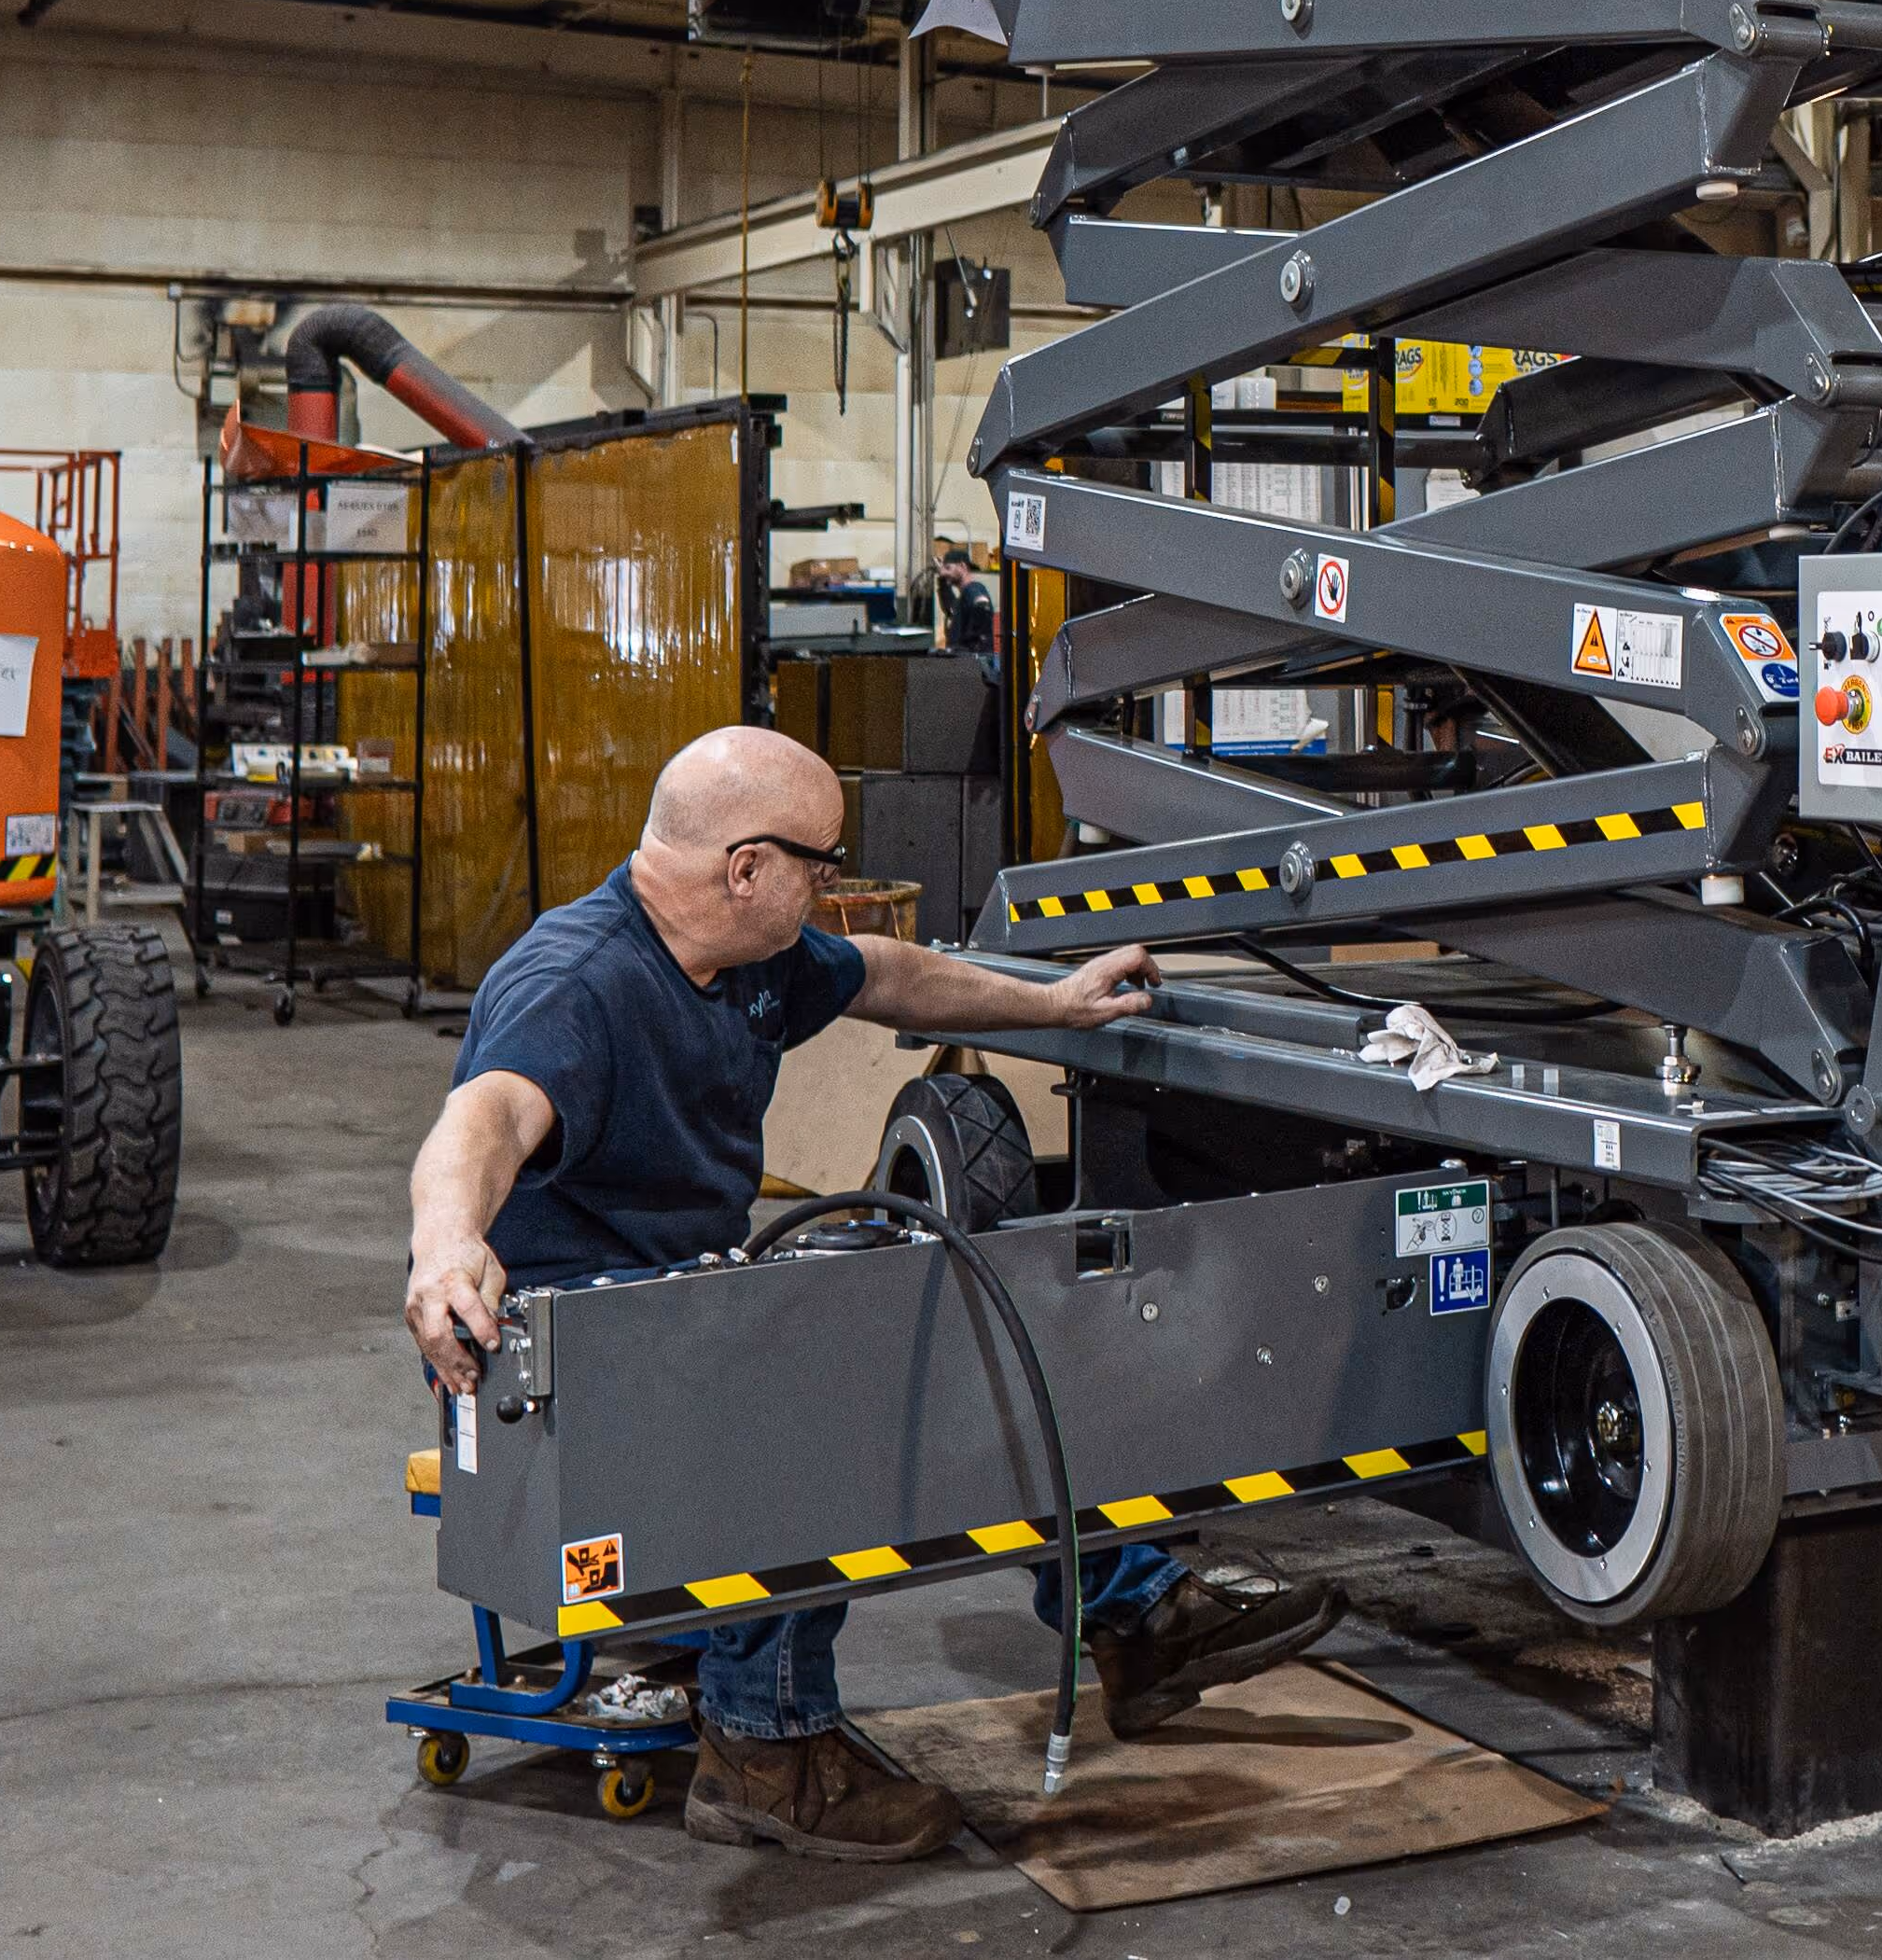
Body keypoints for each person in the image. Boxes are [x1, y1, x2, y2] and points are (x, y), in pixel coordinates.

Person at [400, 725, 1339, 1861]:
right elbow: (486, 1115)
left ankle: (1132, 1611)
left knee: (954, 1311)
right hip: (539, 1347)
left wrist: (1055, 1005)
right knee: (806, 1365)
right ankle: (766, 1749)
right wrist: (446, 1244)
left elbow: (890, 973)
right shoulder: (579, 981)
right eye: (821, 863)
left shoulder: (744, 959)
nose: (832, 884)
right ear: (745, 867)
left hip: (685, 1303)